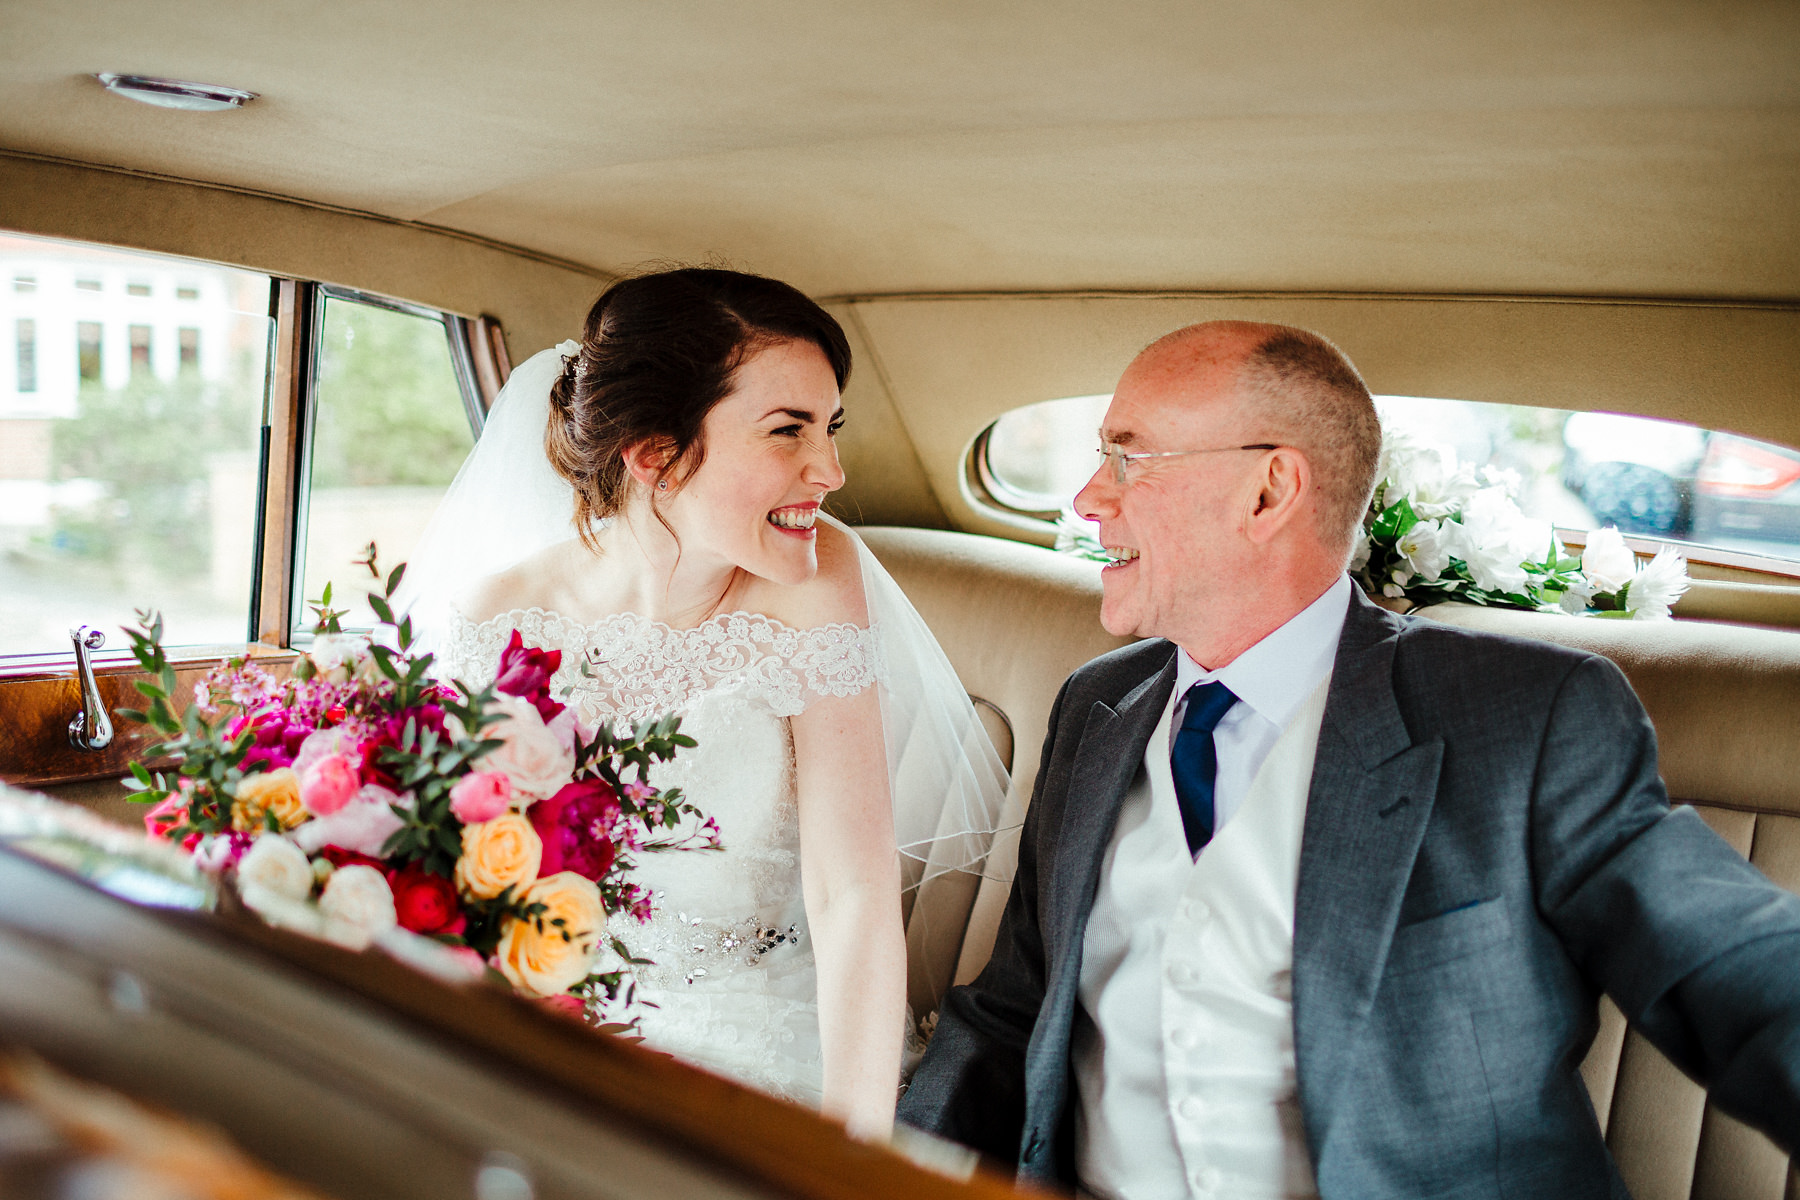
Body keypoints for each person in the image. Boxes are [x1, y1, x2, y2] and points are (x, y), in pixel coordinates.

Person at [898, 320, 1800, 1196]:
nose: (1090, 497)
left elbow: (1735, 972)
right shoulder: (1098, 705)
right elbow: (1013, 1010)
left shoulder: (1524, 719)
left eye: (1128, 458)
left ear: (1269, 492)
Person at [399, 268, 1008, 1140]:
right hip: (546, 1032)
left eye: (830, 428)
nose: (831, 470)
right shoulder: (499, 614)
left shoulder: (815, 578)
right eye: (787, 431)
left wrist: (853, 1156)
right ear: (654, 454)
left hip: (755, 1036)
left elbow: (852, 891)